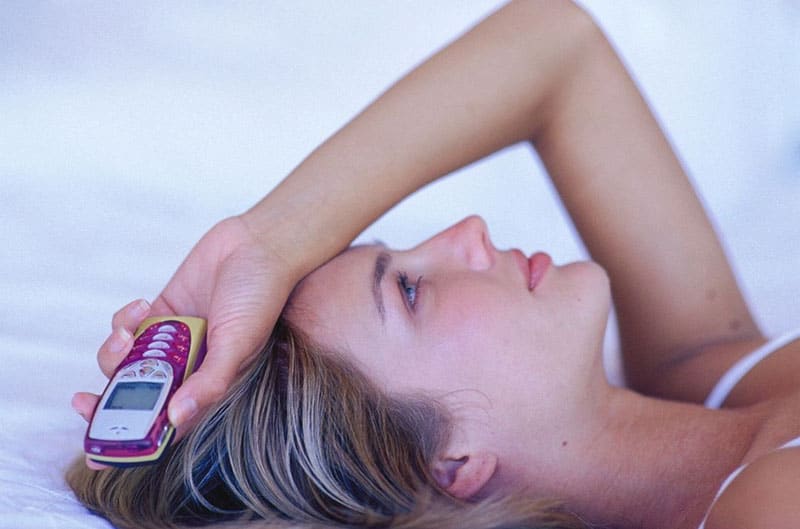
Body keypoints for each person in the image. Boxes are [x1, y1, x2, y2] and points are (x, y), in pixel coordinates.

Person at [68, 1, 800, 528]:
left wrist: (268, 240)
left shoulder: (705, 370)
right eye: (411, 290)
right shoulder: (768, 503)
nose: (470, 230)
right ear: (451, 466)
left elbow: (557, 46)